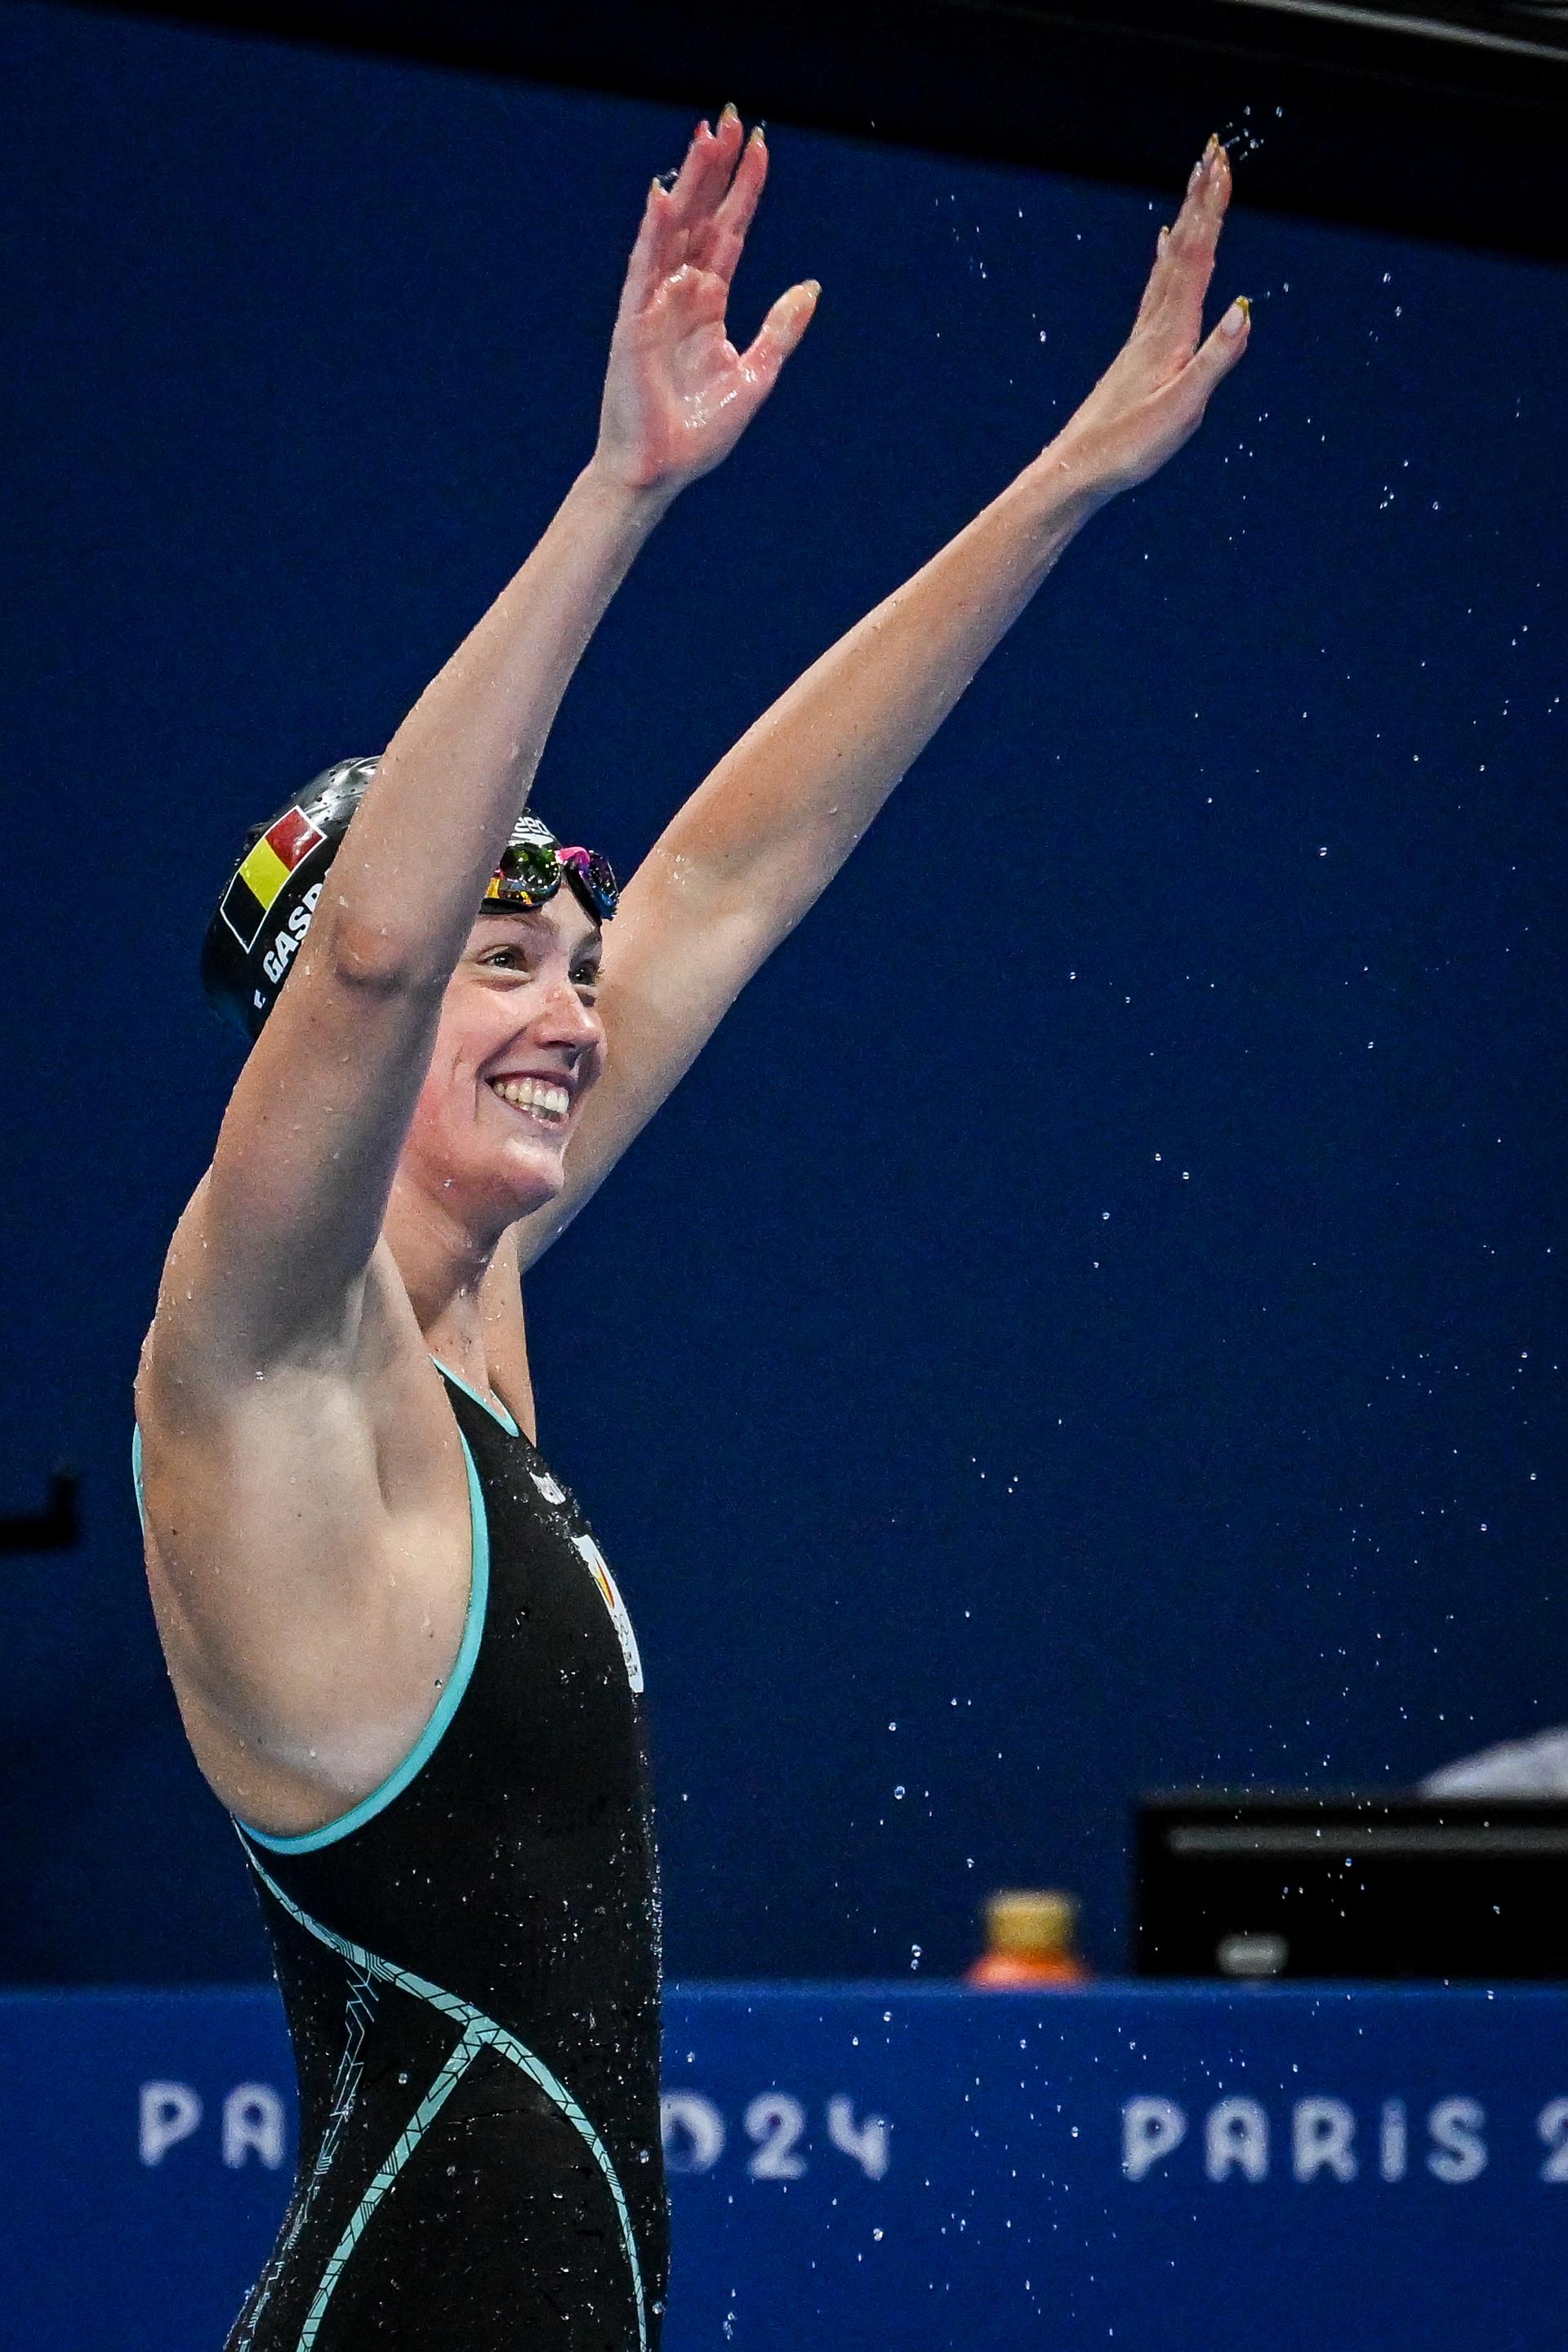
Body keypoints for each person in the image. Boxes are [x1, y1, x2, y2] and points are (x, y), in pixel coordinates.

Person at [135, 108, 1250, 2351]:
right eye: (503, 965)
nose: (566, 1020)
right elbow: (363, 962)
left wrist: (1062, 485)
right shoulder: (254, 1367)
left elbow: (737, 868)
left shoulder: (484, 1310)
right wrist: (621, 492)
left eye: (574, 967)